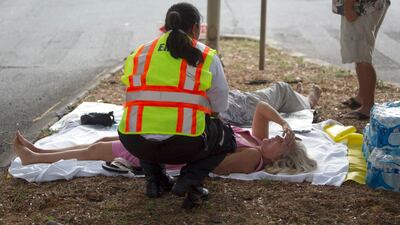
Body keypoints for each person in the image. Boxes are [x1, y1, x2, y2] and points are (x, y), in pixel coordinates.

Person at [13, 83, 320, 175]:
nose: (279, 136)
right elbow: (262, 109)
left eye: (282, 142)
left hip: (175, 152)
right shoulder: (258, 141)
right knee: (104, 139)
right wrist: (282, 123)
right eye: (282, 135)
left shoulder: (254, 158)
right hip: (183, 142)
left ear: (280, 160)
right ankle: (40, 151)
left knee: (95, 150)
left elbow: (214, 165)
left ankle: (35, 159)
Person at [116, 2, 236, 208]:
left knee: (147, 124)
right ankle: (189, 179)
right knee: (227, 137)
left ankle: (155, 180)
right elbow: (219, 106)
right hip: (185, 144)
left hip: (135, 141)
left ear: (166, 25)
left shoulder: (140, 53)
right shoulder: (206, 56)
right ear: (196, 28)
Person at [332, 0, 390, 120]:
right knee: (361, 52)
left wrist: (349, 7)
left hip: (360, 7)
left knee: (362, 56)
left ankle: (368, 106)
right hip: (369, 5)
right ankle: (362, 97)